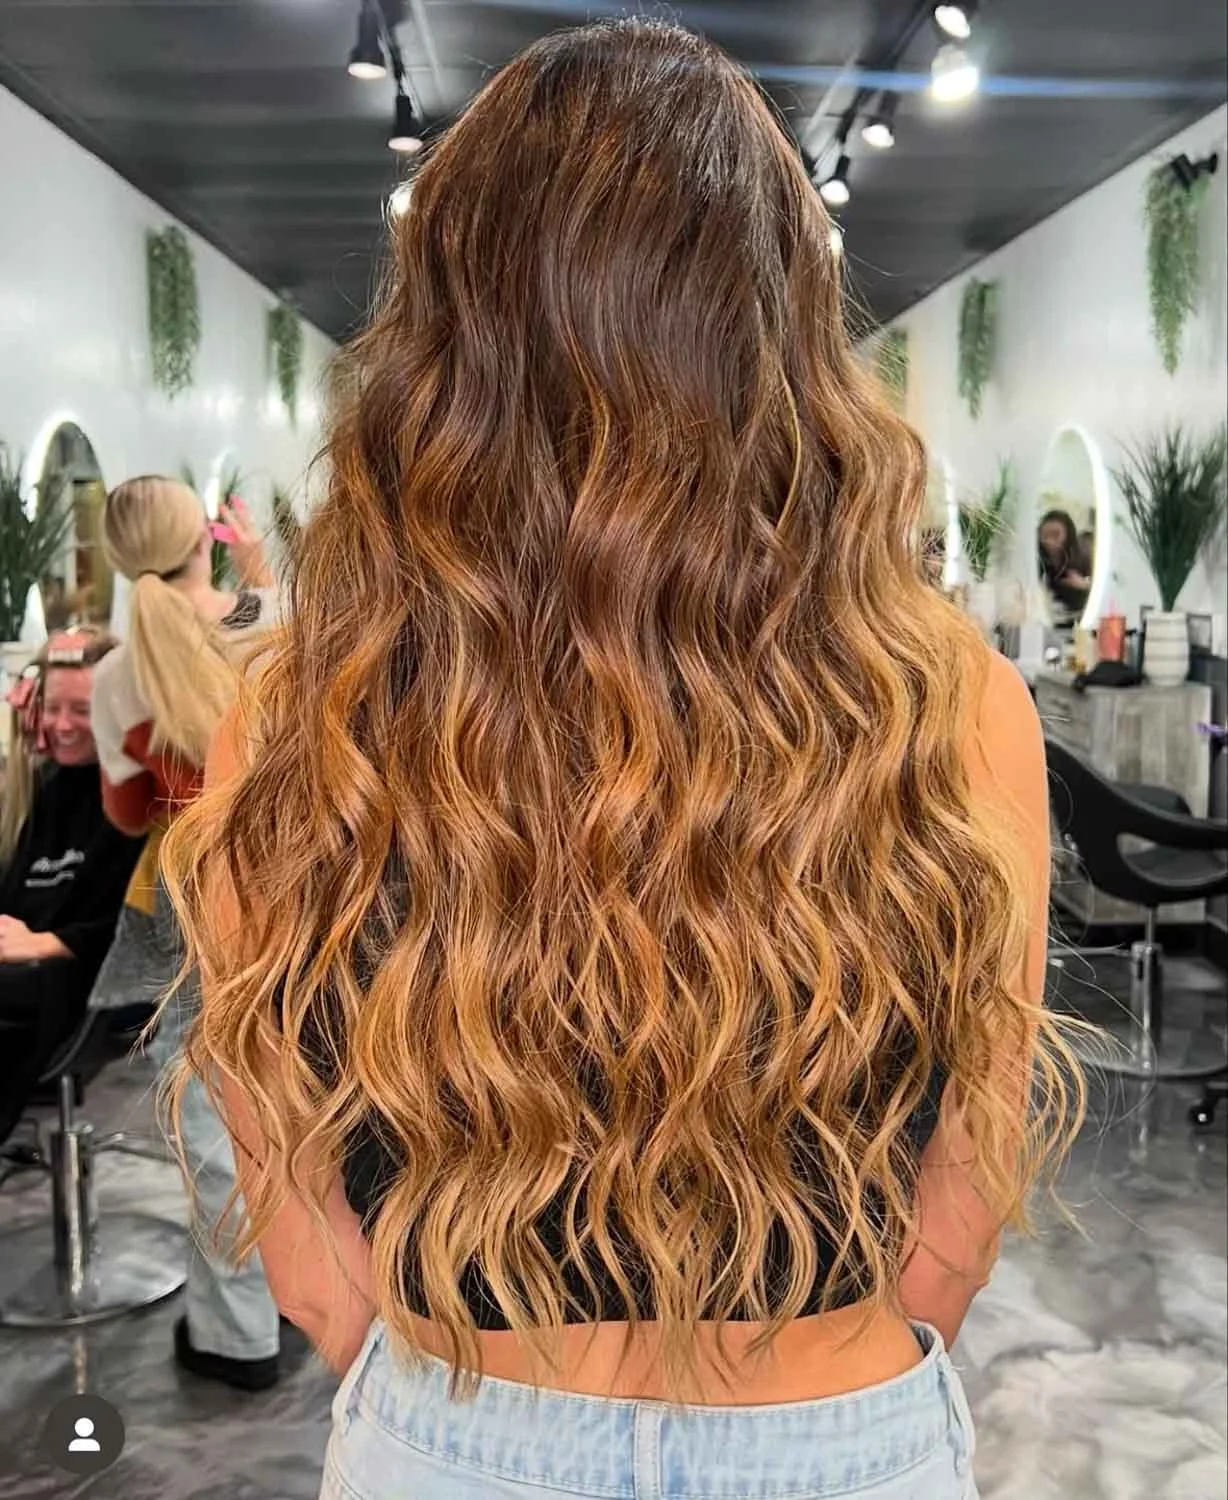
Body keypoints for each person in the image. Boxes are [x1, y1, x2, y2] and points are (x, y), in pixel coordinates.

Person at [163, 21, 1082, 1500]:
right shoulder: (950, 696)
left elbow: (294, 1204)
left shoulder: (300, 712)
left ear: (449, 335)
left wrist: (453, 1413)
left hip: (452, 1430)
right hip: (843, 1436)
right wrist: (884, 1341)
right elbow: (969, 1163)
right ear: (780, 327)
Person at [89, 477, 285, 1392]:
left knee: (209, 1119)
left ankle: (236, 1333)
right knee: (300, 1099)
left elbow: (128, 815)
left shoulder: (114, 670)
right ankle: (307, 1291)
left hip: (191, 899)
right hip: (292, 889)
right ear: (204, 533)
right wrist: (258, 571)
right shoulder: (273, 620)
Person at [0, 630, 143, 1142]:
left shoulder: (138, 796)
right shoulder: (30, 791)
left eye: (81, 710)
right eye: (52, 707)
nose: (62, 725)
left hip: (89, 988)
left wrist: (50, 942)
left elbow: (148, 931)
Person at [1037, 508, 1091, 622]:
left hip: (1078, 619)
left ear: (1068, 535)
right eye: (1045, 535)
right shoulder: (1037, 558)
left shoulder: (1082, 555)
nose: (1049, 541)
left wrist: (1084, 585)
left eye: (1056, 535)